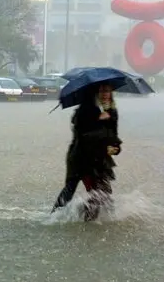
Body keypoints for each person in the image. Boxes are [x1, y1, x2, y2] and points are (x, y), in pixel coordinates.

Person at [51, 83, 122, 221]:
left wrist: (116, 147)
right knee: (73, 189)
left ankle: (90, 219)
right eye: (101, 91)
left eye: (107, 91)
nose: (104, 94)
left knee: (103, 194)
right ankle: (55, 217)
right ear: (95, 93)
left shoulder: (112, 112)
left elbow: (113, 136)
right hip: (81, 157)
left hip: (100, 158)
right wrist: (98, 120)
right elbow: (83, 133)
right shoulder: (86, 109)